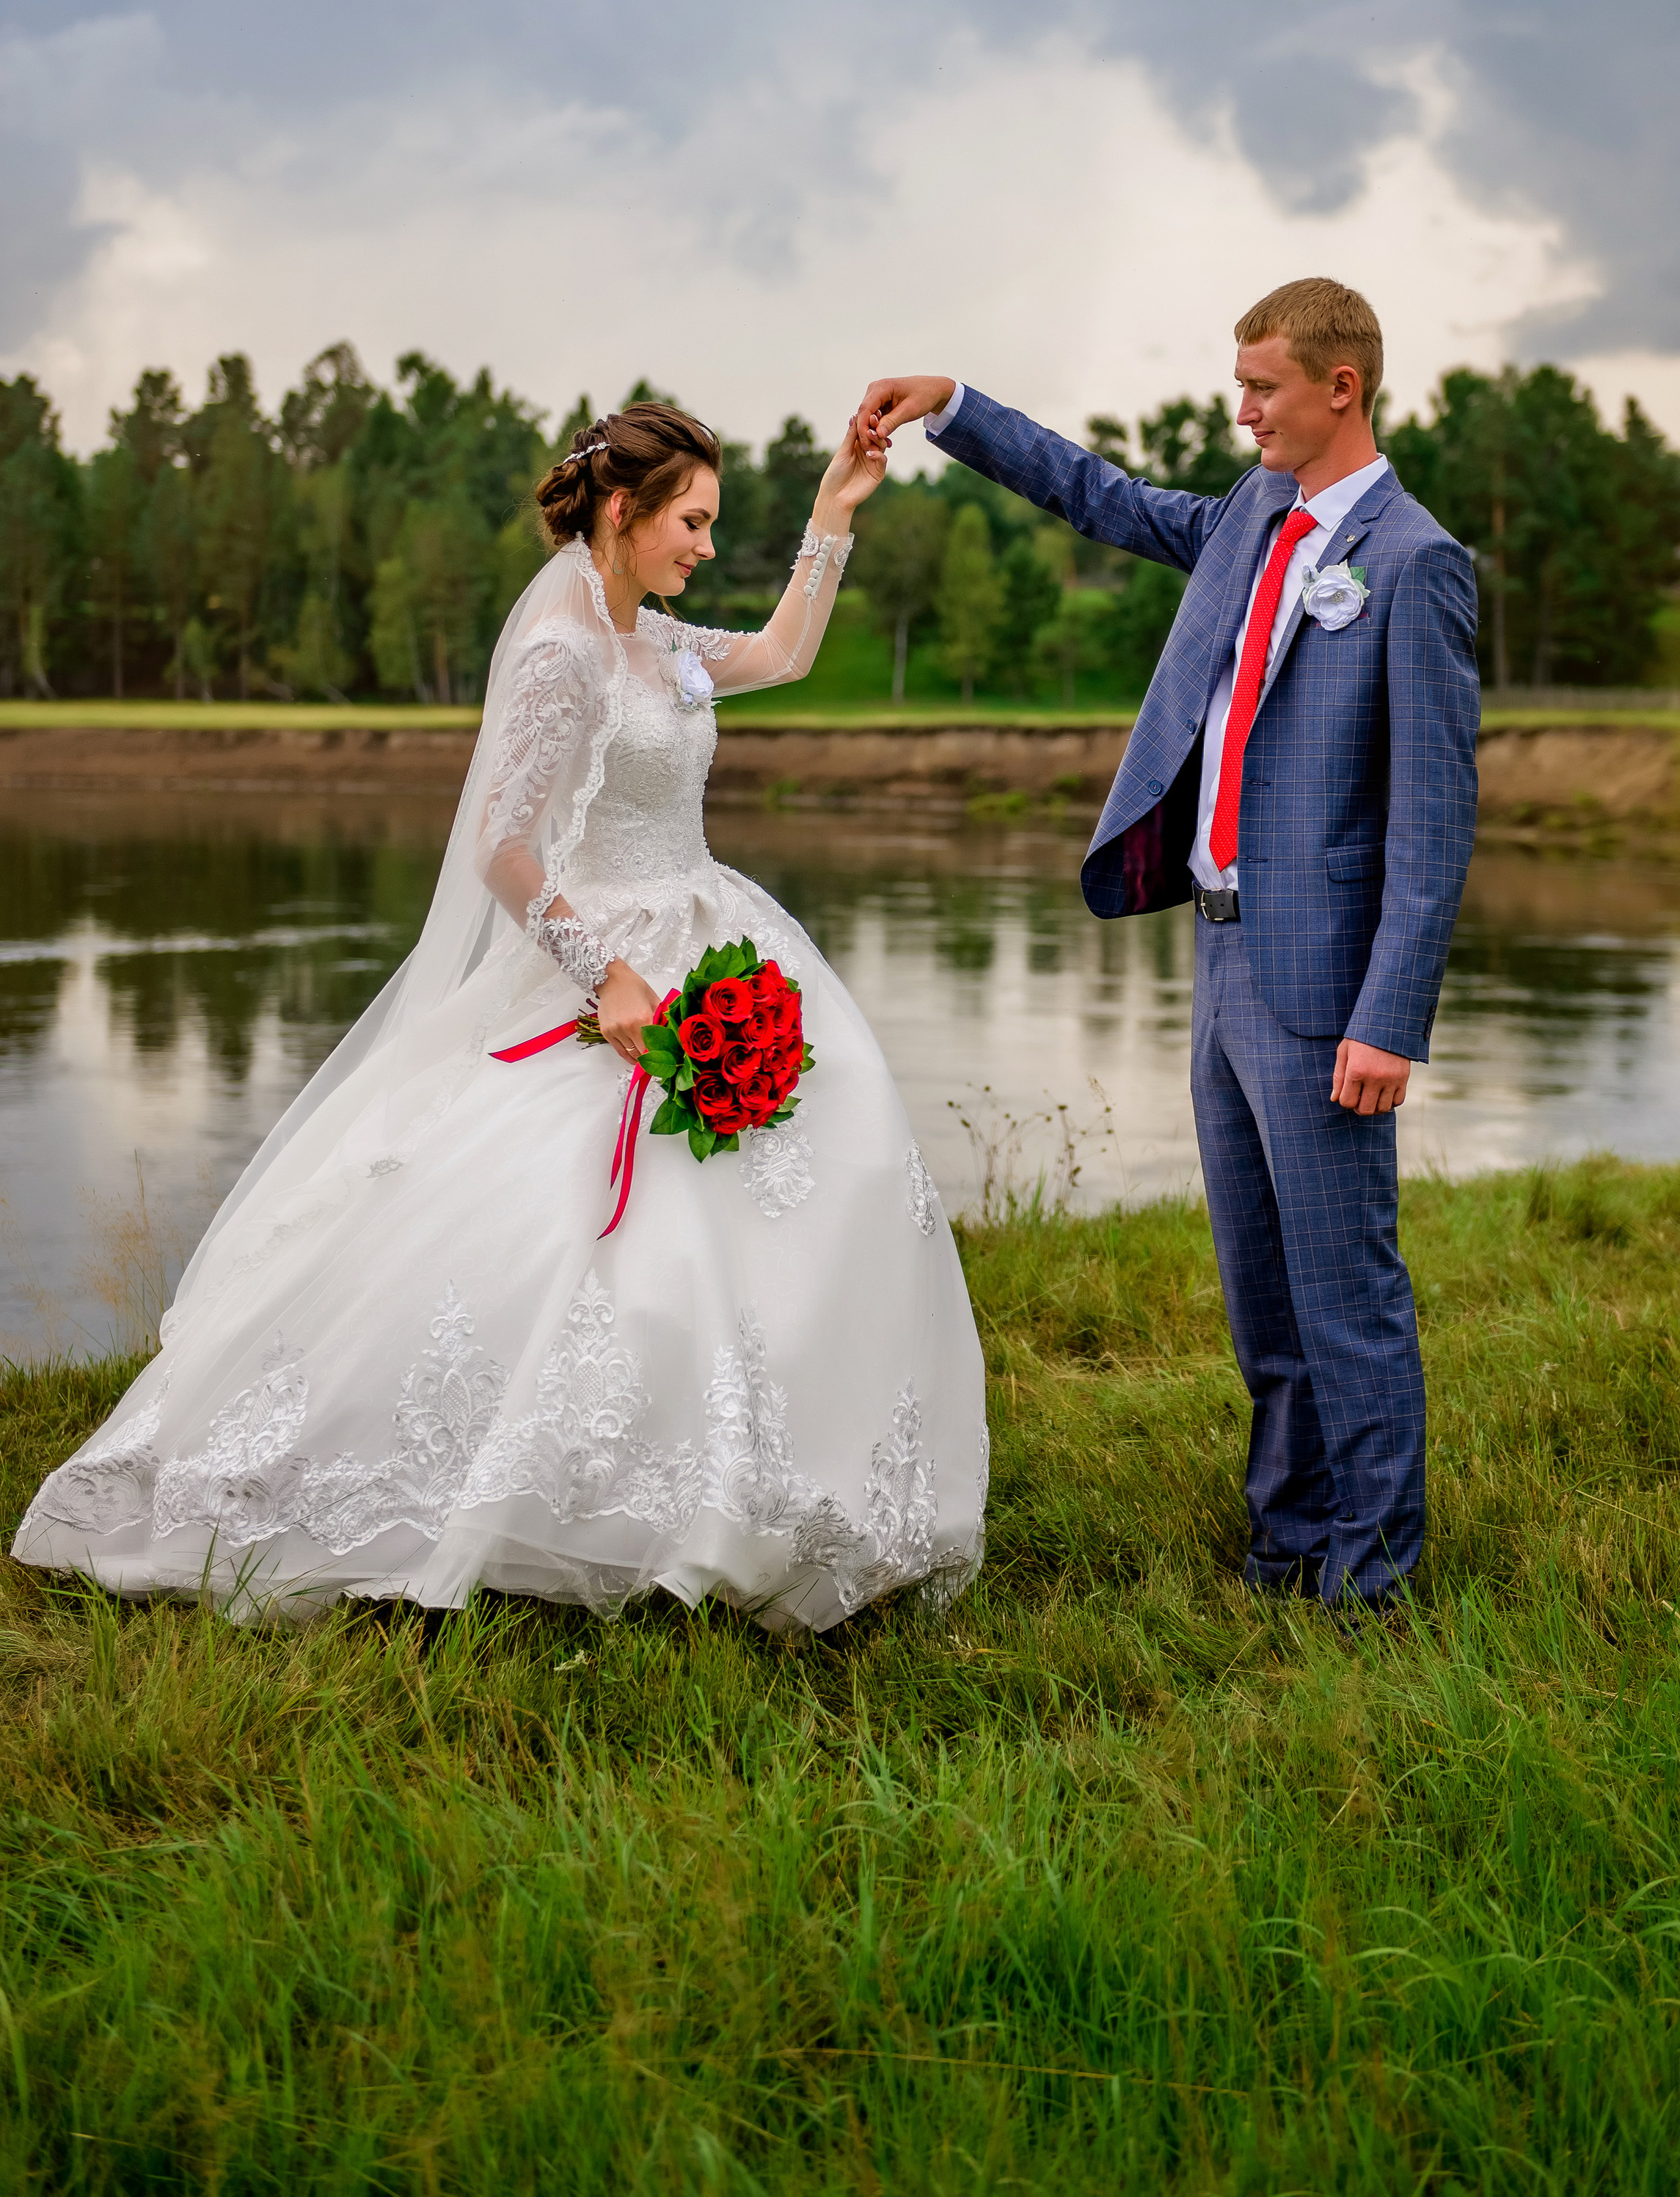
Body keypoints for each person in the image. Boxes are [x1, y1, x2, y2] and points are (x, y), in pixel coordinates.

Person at [15, 404, 987, 1631]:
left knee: (802, 1174)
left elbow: (783, 654)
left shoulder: (663, 643)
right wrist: (606, 974)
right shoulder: (562, 653)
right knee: (567, 1226)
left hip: (706, 924)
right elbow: (505, 847)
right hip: (607, 963)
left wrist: (831, 518)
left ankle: (748, 1482)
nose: (702, 544)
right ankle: (541, 1490)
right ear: (622, 512)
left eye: (713, 524)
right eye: (691, 521)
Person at [859, 279, 1478, 1610]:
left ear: (1341, 388)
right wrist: (956, 408)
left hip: (1325, 991)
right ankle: (1286, 1545)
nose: (1240, 405)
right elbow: (1106, 495)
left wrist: (1389, 1016)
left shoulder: (1418, 564)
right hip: (1221, 958)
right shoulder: (1254, 516)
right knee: (1262, 1296)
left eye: (1262, 383)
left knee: (1345, 1296)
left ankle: (1375, 1583)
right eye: (1238, 379)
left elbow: (1433, 823)